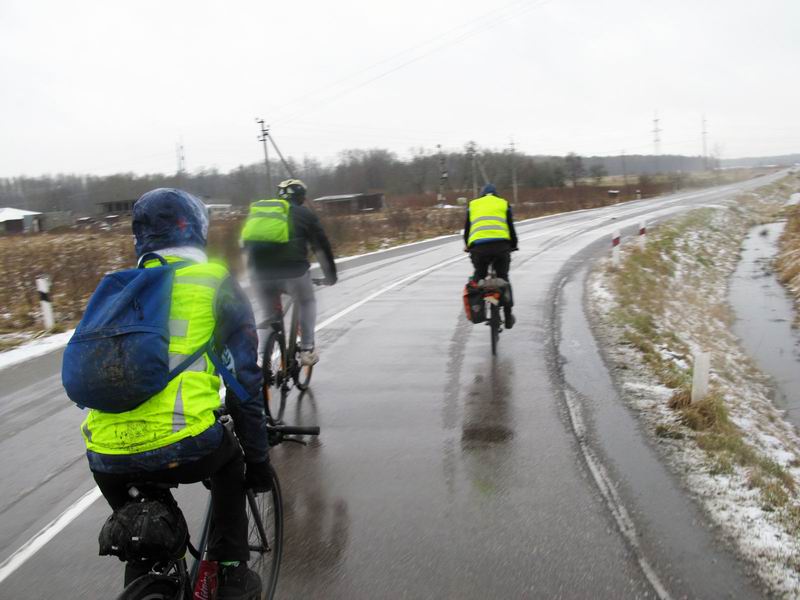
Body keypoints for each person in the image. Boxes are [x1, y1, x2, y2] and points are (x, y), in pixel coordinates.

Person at [81, 188, 269, 600]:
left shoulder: (118, 288)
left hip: (105, 455)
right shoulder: (214, 281)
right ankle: (234, 572)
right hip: (186, 445)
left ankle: (149, 579)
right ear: (197, 228)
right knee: (230, 464)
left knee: (147, 534)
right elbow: (245, 383)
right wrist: (257, 461)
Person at [241, 178, 337, 366]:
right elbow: (321, 247)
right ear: (301, 197)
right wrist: (330, 276)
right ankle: (307, 349)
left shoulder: (263, 215)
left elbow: (245, 245)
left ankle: (262, 357)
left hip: (259, 275)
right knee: (307, 301)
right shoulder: (304, 214)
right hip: (294, 273)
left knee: (269, 314)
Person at [464, 183, 519, 328]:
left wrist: (468, 246)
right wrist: (514, 244)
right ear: (496, 194)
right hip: (501, 248)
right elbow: (510, 228)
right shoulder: (503, 203)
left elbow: (467, 230)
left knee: (478, 278)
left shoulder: (473, 205)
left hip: (479, 249)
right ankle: (507, 317)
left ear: (481, 194)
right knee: (503, 278)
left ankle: (478, 310)